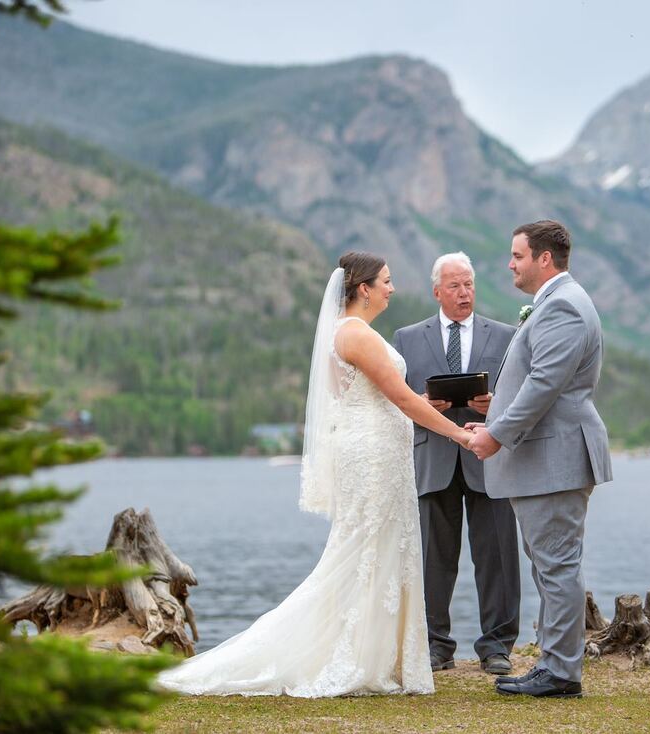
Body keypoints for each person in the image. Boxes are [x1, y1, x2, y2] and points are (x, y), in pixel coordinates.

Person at [157, 252, 474, 697]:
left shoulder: (346, 333)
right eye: (386, 280)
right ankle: (352, 656)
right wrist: (459, 435)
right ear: (363, 288)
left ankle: (378, 654)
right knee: (365, 550)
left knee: (380, 548)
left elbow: (383, 396)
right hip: (372, 453)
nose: (392, 287)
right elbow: (400, 400)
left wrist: (425, 403)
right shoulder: (355, 334)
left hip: (377, 444)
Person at [467, 220, 613, 699]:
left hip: (555, 457)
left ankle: (562, 672)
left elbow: (546, 384)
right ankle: (553, 663)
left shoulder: (564, 307)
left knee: (557, 565)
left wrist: (498, 436)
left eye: (517, 255)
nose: (510, 264)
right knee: (549, 564)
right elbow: (537, 381)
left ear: (543, 259)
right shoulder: (556, 303)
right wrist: (496, 414)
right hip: (547, 459)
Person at [392, 252, 521, 676]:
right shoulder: (407, 338)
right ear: (436, 291)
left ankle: (497, 646)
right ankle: (435, 645)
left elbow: (522, 393)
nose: (464, 292)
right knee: (434, 558)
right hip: (433, 457)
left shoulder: (505, 335)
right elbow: (395, 400)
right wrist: (425, 404)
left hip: (489, 456)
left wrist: (494, 403)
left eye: (469, 284)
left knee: (497, 555)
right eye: (454, 286)